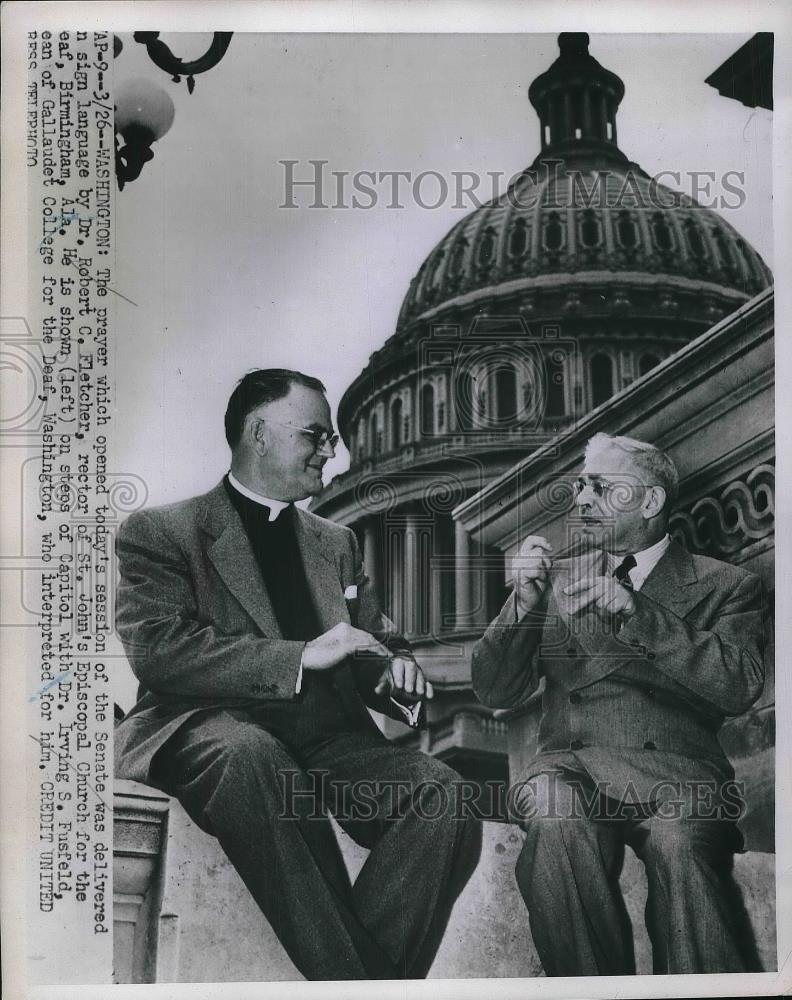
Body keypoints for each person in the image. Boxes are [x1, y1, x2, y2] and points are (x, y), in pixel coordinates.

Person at [114, 368, 479, 981]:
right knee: (254, 755)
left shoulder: (336, 542)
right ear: (258, 435)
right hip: (212, 727)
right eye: (317, 434)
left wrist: (394, 674)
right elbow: (159, 649)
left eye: (331, 436)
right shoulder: (162, 531)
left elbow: (373, 641)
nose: (333, 449)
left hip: (330, 742)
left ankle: (353, 988)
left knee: (444, 792)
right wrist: (299, 657)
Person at [471, 432, 766, 975]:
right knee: (556, 819)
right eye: (581, 485)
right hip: (570, 770)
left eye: (600, 487)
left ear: (650, 502)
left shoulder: (728, 586)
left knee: (681, 846)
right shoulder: (559, 585)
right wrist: (523, 602)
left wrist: (639, 613)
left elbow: (740, 683)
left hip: (680, 778)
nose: (581, 499)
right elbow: (494, 689)